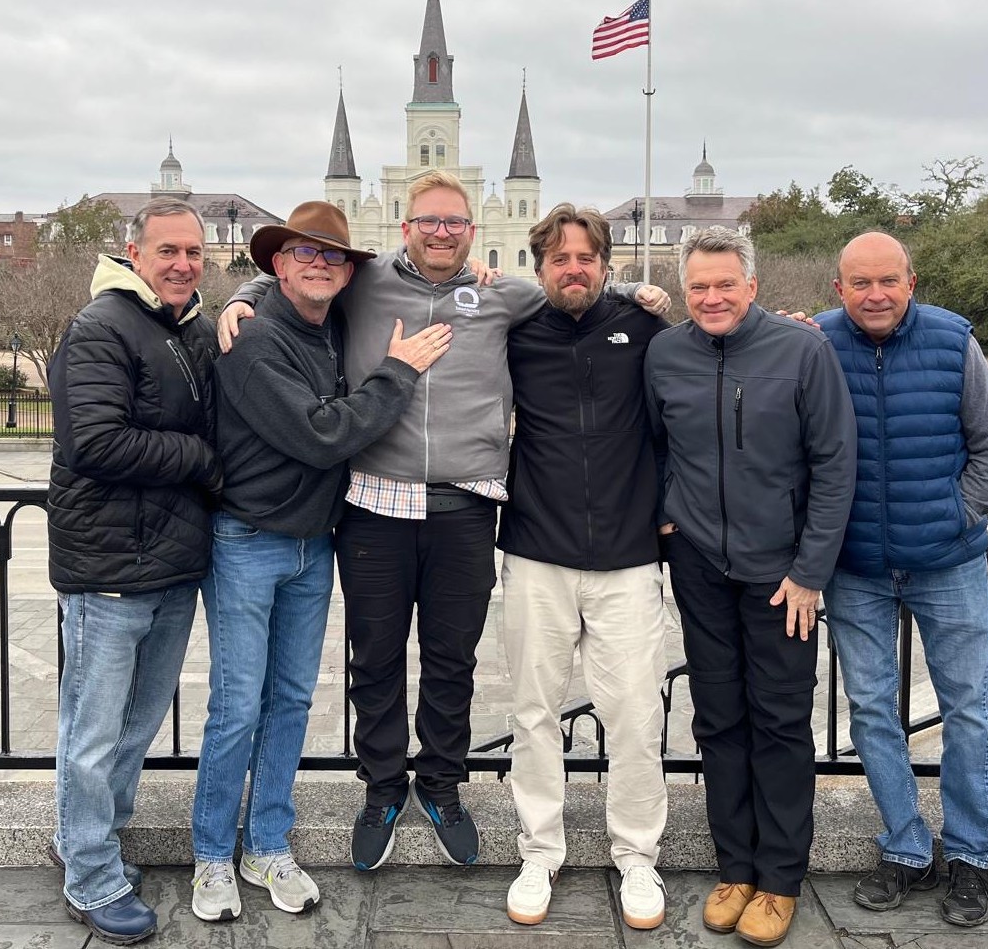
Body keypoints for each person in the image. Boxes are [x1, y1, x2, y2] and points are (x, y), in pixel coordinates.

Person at [217, 171, 669, 872]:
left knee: (452, 661)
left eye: (453, 222)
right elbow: (301, 278)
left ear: (471, 230)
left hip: (465, 507)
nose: (439, 232)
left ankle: (440, 783)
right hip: (375, 504)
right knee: (375, 660)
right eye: (427, 221)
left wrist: (643, 293)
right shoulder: (364, 283)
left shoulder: (503, 293)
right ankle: (382, 788)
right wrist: (242, 296)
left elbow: (575, 288)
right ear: (405, 227)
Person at [189, 202, 451, 922]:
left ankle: (266, 844)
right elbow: (321, 433)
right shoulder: (254, 339)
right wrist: (397, 372)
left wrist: (477, 274)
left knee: (291, 702)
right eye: (304, 253)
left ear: (346, 273)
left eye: (333, 256)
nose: (319, 265)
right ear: (278, 263)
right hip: (248, 541)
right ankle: (211, 855)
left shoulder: (329, 324)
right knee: (236, 707)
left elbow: (430, 273)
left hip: (313, 545)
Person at [645, 226, 856, 947]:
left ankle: (780, 878)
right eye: (698, 286)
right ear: (684, 290)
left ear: (752, 286)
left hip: (781, 576)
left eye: (724, 284)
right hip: (699, 564)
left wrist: (809, 572)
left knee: (779, 721)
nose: (711, 298)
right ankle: (734, 867)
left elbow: (835, 464)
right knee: (717, 718)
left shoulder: (802, 351)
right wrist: (666, 514)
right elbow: (653, 443)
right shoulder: (665, 353)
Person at [816, 231, 988, 927]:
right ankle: (904, 846)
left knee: (969, 710)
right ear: (838, 288)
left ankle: (970, 856)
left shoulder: (953, 342)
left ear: (911, 282)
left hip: (947, 561)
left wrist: (956, 515)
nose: (875, 295)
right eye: (860, 283)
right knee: (871, 709)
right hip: (856, 567)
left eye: (888, 281)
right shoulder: (815, 342)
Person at [47, 197, 221, 945]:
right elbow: (96, 443)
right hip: (108, 567)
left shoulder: (190, 329)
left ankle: (89, 841)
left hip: (171, 565)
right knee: (92, 733)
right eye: (168, 251)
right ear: (134, 253)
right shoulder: (101, 326)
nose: (182, 264)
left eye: (194, 252)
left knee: (135, 727)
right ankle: (89, 875)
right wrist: (203, 459)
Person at [499, 204, 670, 930]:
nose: (574, 269)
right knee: (533, 712)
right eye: (560, 259)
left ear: (605, 264)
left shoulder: (645, 327)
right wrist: (249, 297)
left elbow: (712, 367)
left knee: (634, 713)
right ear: (540, 268)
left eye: (586, 258)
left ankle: (636, 855)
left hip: (628, 555)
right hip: (537, 549)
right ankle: (539, 850)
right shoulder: (513, 332)